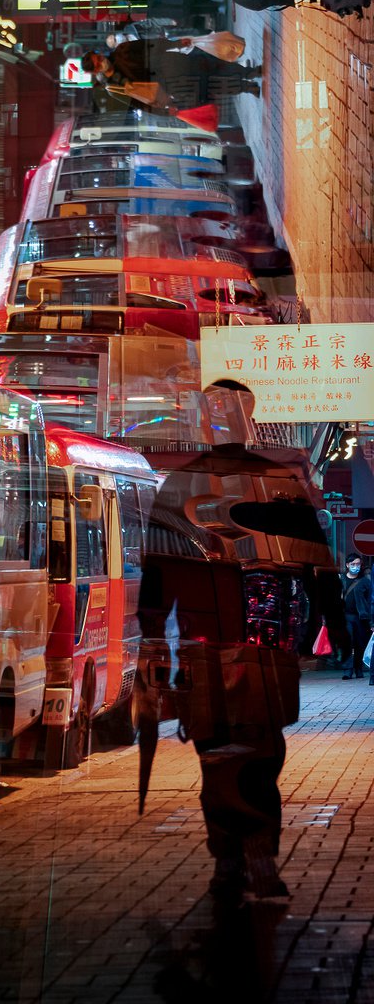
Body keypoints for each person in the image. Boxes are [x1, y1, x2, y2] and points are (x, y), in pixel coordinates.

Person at [136, 379, 345, 905]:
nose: (221, 420)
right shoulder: (187, 485)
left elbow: (317, 566)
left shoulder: (272, 483)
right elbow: (158, 573)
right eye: (214, 411)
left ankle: (251, 855)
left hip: (259, 645)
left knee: (256, 752)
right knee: (221, 755)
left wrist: (331, 626)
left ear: (247, 417)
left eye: (229, 411)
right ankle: (235, 856)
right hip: (209, 649)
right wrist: (154, 641)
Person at [81, 39, 263, 113]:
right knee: (211, 87)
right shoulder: (114, 87)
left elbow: (150, 43)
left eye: (98, 57)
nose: (101, 61)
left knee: (213, 66)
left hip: (170, 63)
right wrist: (165, 109)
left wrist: (175, 43)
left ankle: (249, 72)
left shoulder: (122, 49)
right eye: (97, 64)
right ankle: (247, 87)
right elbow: (139, 103)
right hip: (169, 86)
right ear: (96, 72)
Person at [341, 552, 372, 679]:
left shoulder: (365, 581)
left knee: (360, 644)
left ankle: (358, 668)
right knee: (347, 643)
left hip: (361, 618)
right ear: (347, 565)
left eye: (358, 564)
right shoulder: (341, 579)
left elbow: (370, 600)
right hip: (345, 616)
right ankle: (347, 670)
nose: (356, 566)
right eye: (353, 564)